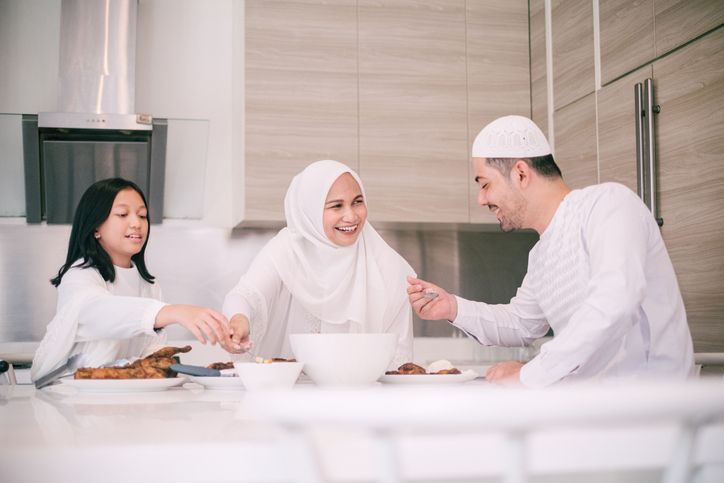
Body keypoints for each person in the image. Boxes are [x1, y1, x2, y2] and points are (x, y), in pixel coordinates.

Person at [407, 115, 695, 388]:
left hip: (652, 413)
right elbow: (521, 324)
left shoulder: (608, 204)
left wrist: (530, 374)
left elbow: (615, 300)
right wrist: (453, 307)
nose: (482, 199)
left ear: (520, 173)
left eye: (485, 184)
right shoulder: (541, 254)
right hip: (597, 414)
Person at [31, 178, 236, 382]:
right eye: (122, 214)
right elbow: (90, 313)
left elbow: (147, 349)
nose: (136, 223)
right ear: (95, 227)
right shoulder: (80, 274)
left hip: (120, 398)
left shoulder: (148, 285)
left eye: (142, 215)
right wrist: (173, 312)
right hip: (67, 397)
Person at [224, 160, 416, 368]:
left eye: (357, 202)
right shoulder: (287, 248)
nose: (351, 216)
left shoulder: (388, 266)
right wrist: (238, 319)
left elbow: (400, 362)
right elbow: (246, 294)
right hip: (287, 392)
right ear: (310, 211)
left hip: (362, 395)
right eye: (336, 206)